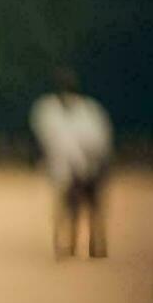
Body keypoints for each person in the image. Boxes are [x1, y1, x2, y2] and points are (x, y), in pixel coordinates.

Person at [30, 69, 113, 259]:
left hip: (89, 166)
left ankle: (91, 243)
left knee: (90, 208)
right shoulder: (49, 111)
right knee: (69, 207)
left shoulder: (87, 112)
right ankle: (69, 245)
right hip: (67, 168)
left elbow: (98, 143)